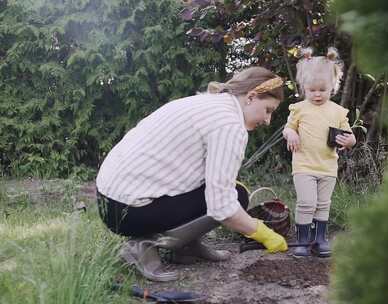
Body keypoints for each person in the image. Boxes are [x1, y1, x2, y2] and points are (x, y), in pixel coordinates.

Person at [96, 67, 288, 282]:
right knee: (237, 196)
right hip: (130, 212)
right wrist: (263, 233)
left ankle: (186, 246)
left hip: (108, 201)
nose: (268, 120)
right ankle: (142, 246)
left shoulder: (209, 103)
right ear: (251, 97)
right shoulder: (229, 124)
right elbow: (222, 206)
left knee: (233, 190)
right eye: (268, 110)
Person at [282, 48, 356, 258]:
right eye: (312, 89)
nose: (316, 94)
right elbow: (288, 129)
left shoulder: (337, 112)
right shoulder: (299, 109)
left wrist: (349, 141)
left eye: (322, 90)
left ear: (332, 87)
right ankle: (303, 240)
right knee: (307, 203)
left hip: (328, 166)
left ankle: (319, 239)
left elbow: (350, 136)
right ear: (304, 86)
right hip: (304, 165)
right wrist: (291, 135)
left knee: (323, 204)